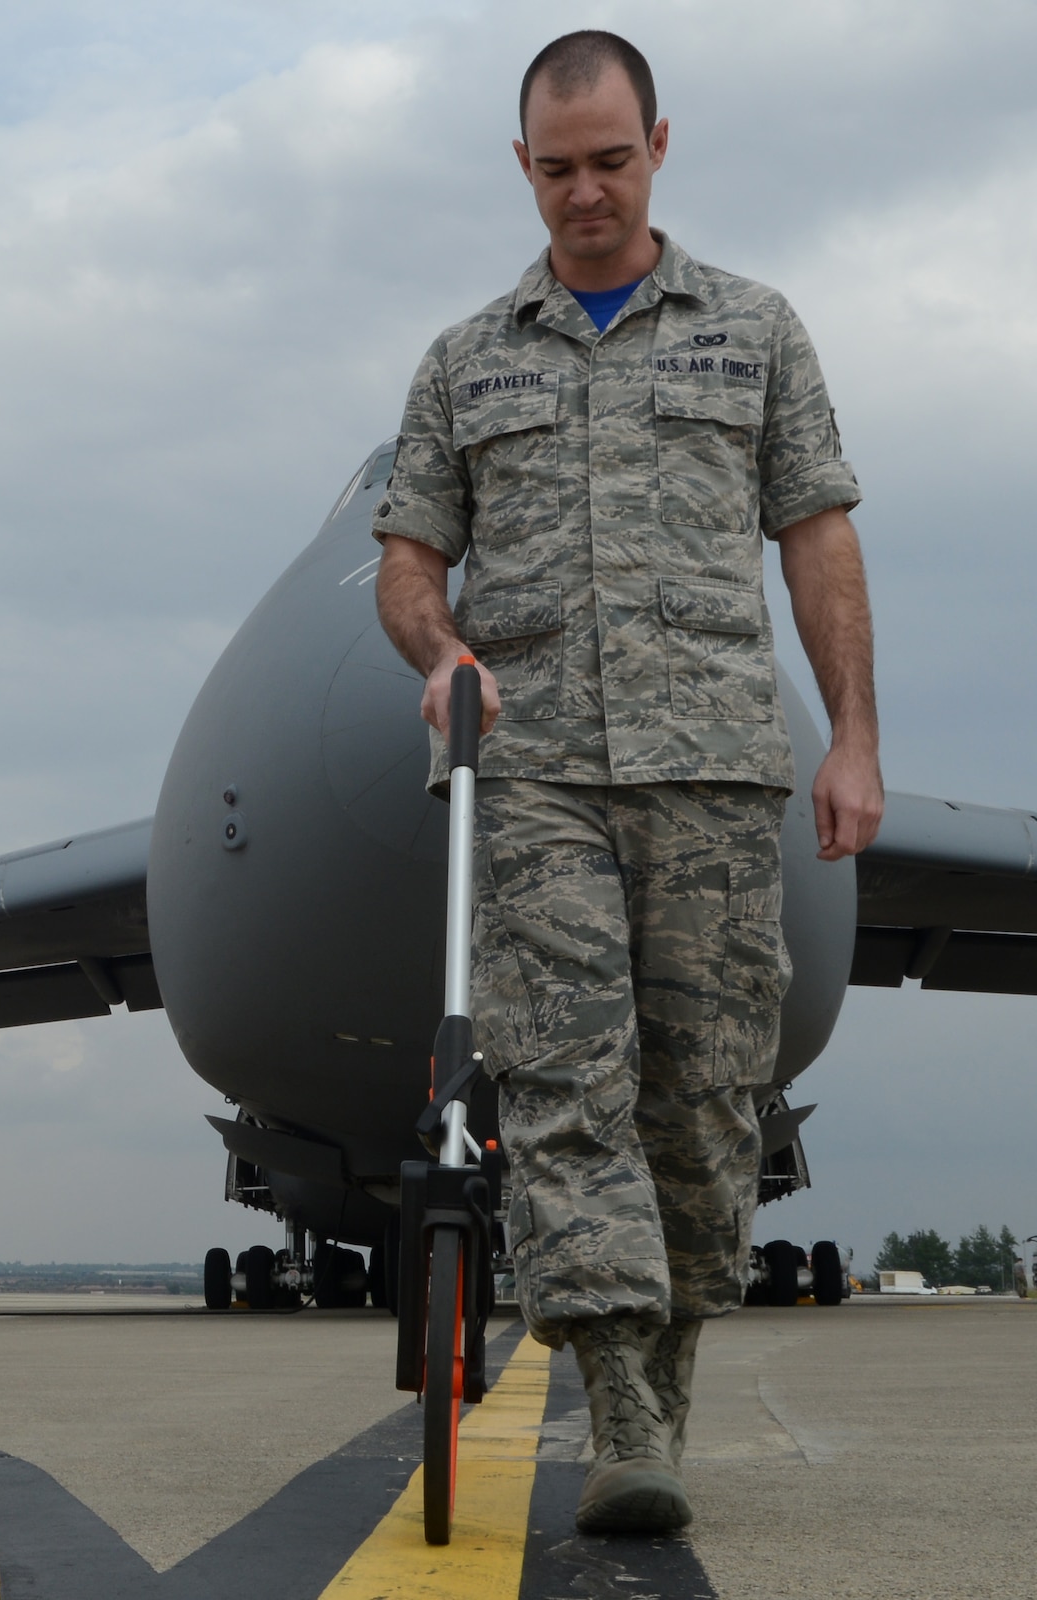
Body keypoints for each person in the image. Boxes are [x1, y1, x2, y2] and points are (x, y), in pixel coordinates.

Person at [373, 30, 881, 1535]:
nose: (584, 193)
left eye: (610, 161)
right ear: (519, 166)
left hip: (714, 768)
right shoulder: (465, 360)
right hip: (531, 771)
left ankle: (662, 1376)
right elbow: (409, 561)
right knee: (564, 1084)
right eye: (556, 169)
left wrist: (853, 735)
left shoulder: (756, 331)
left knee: (705, 1103)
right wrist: (441, 651)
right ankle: (623, 1408)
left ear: (659, 145)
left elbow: (819, 537)